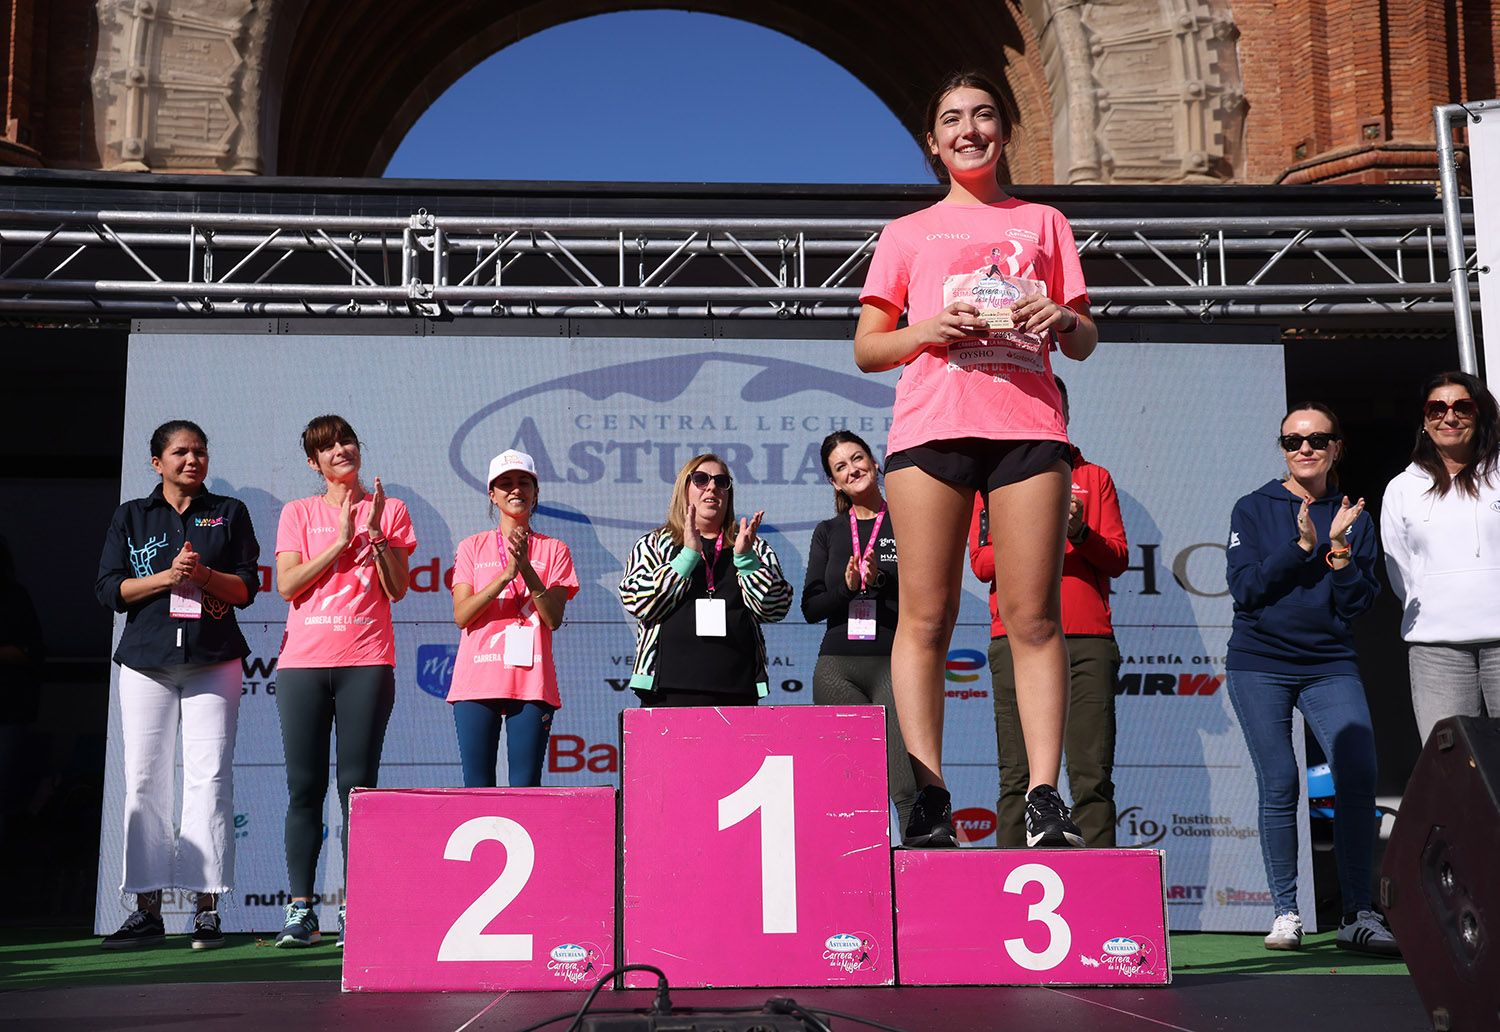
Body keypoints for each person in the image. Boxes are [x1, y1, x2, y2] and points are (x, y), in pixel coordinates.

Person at [853, 71, 1098, 847]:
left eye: (984, 116)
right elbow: (867, 348)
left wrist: (1061, 315)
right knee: (926, 617)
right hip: (931, 429)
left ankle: (1044, 797)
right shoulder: (907, 232)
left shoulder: (1045, 222)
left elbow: (1086, 339)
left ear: (1005, 130)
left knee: (1032, 617)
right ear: (933, 140)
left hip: (1029, 425)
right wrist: (928, 329)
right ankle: (927, 796)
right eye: (953, 119)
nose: (969, 130)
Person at [1226, 403, 1396, 956]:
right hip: (1260, 662)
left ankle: (1357, 913)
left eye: (1317, 440)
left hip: (1329, 663)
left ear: (1335, 448)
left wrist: (1339, 551)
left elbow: (1356, 606)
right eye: (1294, 440)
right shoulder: (1253, 508)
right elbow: (1247, 589)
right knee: (1280, 781)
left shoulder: (1354, 515)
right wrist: (1301, 548)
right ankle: (1286, 913)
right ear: (1282, 447)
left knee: (1357, 774)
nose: (1305, 449)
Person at [93, 420, 260, 950]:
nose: (193, 460)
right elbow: (109, 590)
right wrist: (167, 578)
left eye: (201, 452)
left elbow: (246, 590)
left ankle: (206, 908)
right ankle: (146, 908)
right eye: (181, 452)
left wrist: (203, 576)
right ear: (156, 462)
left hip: (214, 659)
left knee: (209, 779)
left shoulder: (229, 512)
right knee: (144, 781)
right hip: (147, 661)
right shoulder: (132, 515)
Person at [273, 415, 414, 948]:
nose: (340, 451)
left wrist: (374, 534)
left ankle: (356, 906)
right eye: (327, 448)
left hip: (366, 659)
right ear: (314, 462)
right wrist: (338, 542)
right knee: (304, 788)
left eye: (346, 441)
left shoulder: (392, 509)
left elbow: (398, 588)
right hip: (303, 664)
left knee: (358, 787)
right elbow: (287, 584)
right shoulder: (298, 513)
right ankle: (301, 908)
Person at [968, 377, 1127, 847]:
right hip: (1013, 639)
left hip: (1086, 640)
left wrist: (1078, 534)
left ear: (1063, 412)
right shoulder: (986, 486)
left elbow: (1117, 557)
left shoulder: (1094, 477)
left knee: (1090, 776)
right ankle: (1011, 899)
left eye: (1050, 404)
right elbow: (982, 564)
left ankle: (1094, 905)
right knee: (1018, 778)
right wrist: (1038, 534)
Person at [802, 431, 917, 831]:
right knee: (847, 788)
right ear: (834, 482)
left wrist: (881, 578)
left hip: (893, 662)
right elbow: (812, 607)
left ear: (874, 461)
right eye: (841, 467)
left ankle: (917, 867)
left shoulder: (909, 521)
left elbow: (929, 589)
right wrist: (848, 588)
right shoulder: (828, 532)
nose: (852, 469)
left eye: (857, 458)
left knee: (905, 783)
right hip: (837, 669)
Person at [1381, 371, 1500, 742]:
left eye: (1462, 407)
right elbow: (1399, 567)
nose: (1450, 418)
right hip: (1436, 650)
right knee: (1450, 770)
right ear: (1425, 421)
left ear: (1479, 414)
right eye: (1437, 409)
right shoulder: (1402, 488)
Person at [448, 450, 578, 787]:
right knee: (476, 786)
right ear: (492, 494)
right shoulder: (471, 547)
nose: (515, 490)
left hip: (532, 680)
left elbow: (552, 618)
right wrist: (506, 574)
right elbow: (462, 615)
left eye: (524, 482)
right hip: (478, 677)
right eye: (505, 484)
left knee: (526, 787)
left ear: (536, 492)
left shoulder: (555, 550)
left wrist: (527, 571)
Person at [619, 453, 792, 705]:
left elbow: (775, 607)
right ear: (684, 489)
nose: (712, 486)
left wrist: (746, 560)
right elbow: (638, 602)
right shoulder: (654, 544)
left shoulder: (753, 546)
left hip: (737, 690)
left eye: (721, 481)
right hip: (667, 689)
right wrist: (687, 556)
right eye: (701, 479)